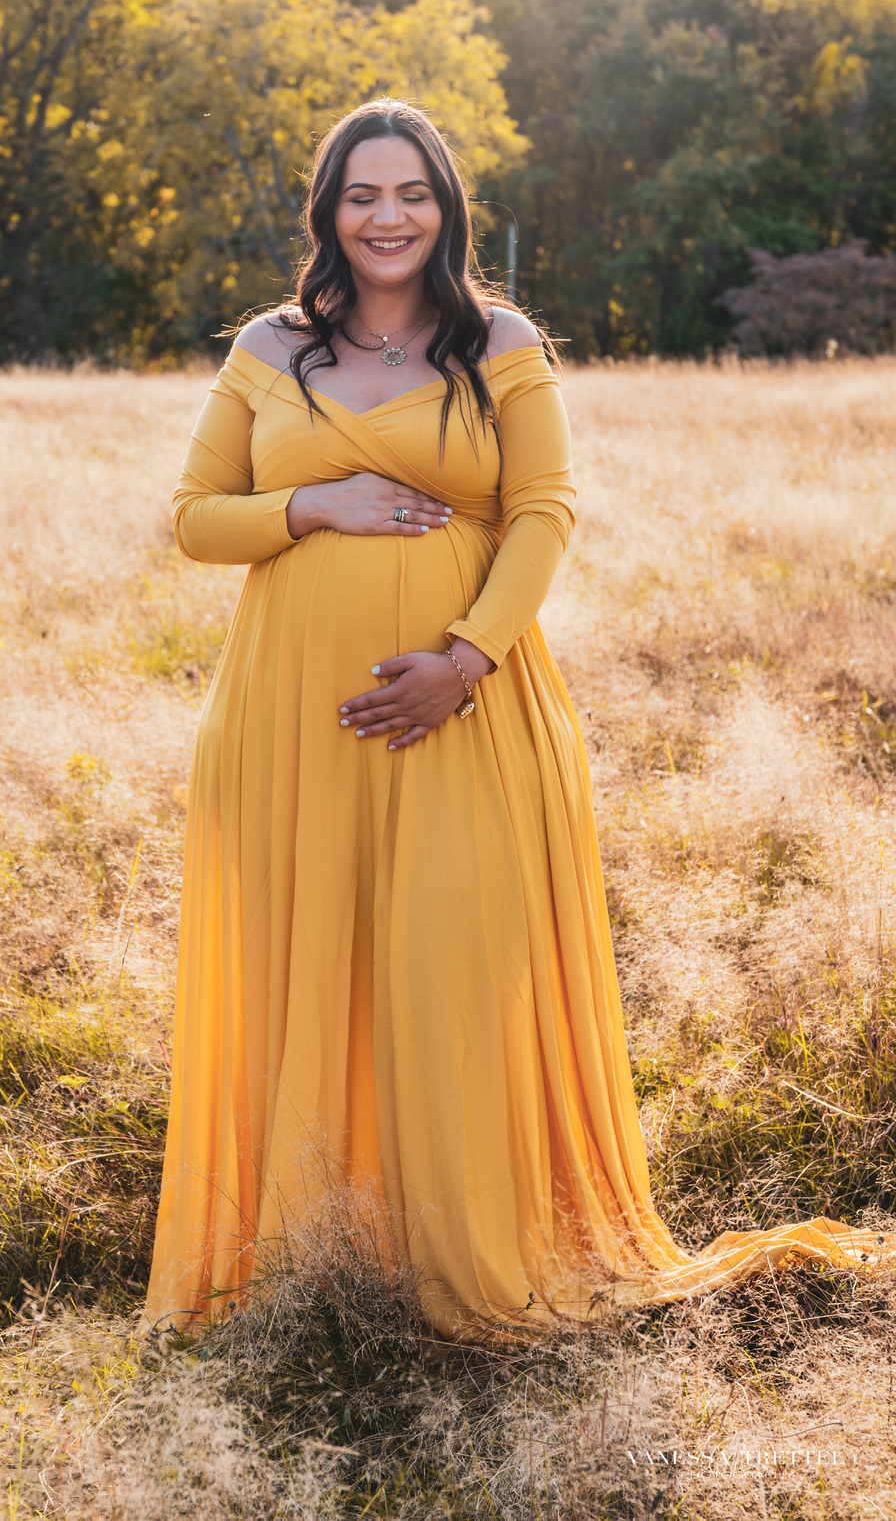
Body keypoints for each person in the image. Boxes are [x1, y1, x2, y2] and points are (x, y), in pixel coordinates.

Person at [142, 99, 879, 1338]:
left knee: (451, 971)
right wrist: (317, 506)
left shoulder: (502, 341)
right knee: (310, 968)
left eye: (412, 192)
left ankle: (470, 1251)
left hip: (473, 710)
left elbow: (545, 512)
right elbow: (193, 516)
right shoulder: (271, 347)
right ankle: (326, 1259)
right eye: (362, 194)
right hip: (286, 724)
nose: (389, 216)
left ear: (448, 207)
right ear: (327, 211)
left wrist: (463, 658)